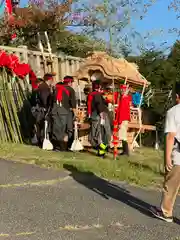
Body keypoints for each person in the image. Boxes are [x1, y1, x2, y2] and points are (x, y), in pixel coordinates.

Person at [151, 82, 180, 223]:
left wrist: (167, 158)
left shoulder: (174, 111)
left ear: (177, 96)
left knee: (171, 184)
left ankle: (166, 212)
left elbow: (170, 136)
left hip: (178, 155)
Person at [51, 76, 77, 151]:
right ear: (69, 82)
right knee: (65, 130)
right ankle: (63, 147)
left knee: (56, 129)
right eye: (71, 82)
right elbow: (73, 104)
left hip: (55, 111)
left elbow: (52, 100)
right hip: (64, 112)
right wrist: (75, 114)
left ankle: (56, 147)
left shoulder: (56, 88)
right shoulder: (70, 90)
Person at [87, 80, 112, 157]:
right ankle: (101, 152)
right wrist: (102, 114)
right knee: (102, 133)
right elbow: (99, 104)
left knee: (99, 133)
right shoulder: (97, 95)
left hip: (94, 115)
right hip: (100, 115)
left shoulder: (90, 94)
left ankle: (102, 150)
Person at [31, 73, 54, 147]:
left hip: (40, 109)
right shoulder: (44, 87)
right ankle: (42, 141)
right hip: (42, 110)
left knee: (40, 126)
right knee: (43, 126)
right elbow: (44, 99)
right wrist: (46, 108)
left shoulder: (43, 86)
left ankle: (41, 141)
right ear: (50, 79)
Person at [115, 84, 132, 156]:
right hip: (125, 119)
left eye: (122, 90)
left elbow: (121, 111)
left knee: (123, 136)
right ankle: (125, 151)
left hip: (123, 119)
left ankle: (126, 152)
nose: (121, 91)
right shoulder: (127, 98)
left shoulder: (124, 99)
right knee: (123, 135)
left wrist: (119, 121)